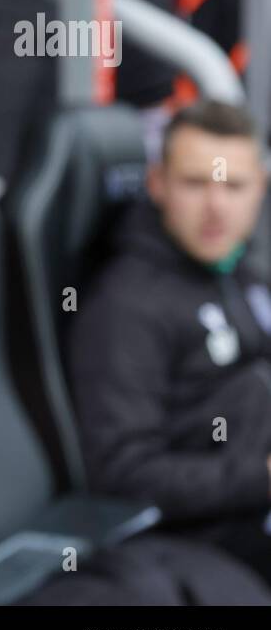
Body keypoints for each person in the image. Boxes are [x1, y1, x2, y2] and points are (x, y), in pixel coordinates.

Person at [69, 100, 271, 588]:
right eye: (196, 183)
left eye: (233, 185)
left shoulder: (241, 271)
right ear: (157, 184)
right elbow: (124, 474)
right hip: (211, 539)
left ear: (261, 189)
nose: (216, 206)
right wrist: (261, 476)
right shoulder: (126, 305)